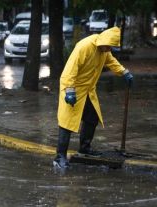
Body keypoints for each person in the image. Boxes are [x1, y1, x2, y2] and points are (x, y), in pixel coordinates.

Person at [53, 27, 133, 169]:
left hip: (88, 90)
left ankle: (85, 147)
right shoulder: (84, 46)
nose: (109, 49)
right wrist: (70, 91)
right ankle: (60, 157)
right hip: (73, 89)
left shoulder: (104, 50)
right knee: (67, 123)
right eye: (108, 45)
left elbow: (112, 62)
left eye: (111, 47)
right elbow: (69, 70)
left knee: (92, 117)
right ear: (103, 41)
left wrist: (124, 72)